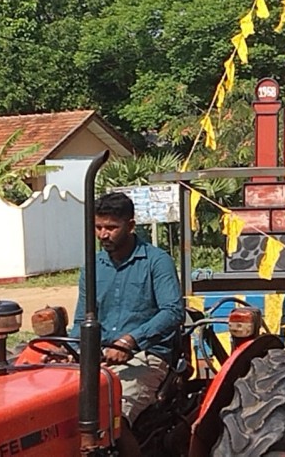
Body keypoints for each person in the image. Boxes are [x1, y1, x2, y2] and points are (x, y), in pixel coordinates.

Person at [70, 192, 184, 456]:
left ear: (131, 226)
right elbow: (81, 320)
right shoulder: (92, 266)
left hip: (147, 356)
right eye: (98, 227)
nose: (103, 235)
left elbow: (173, 311)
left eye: (111, 227)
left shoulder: (156, 261)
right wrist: (71, 349)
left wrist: (130, 341)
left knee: (112, 415)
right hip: (98, 357)